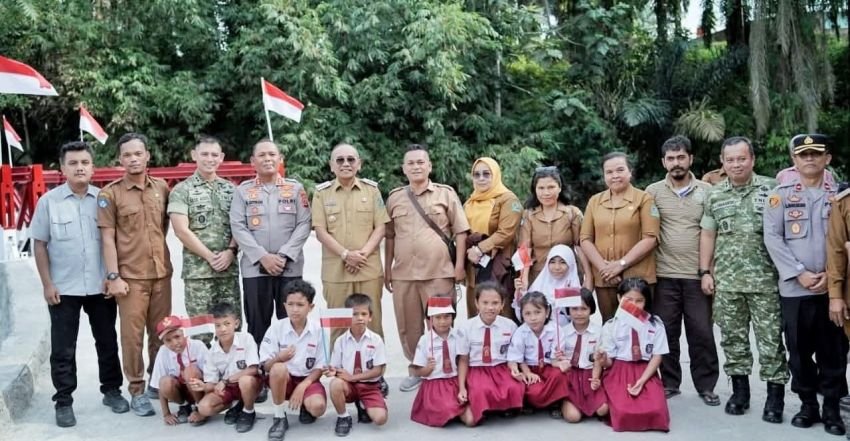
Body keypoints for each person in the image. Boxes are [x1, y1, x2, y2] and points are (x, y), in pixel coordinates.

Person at [31, 141, 129, 427]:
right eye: (73, 163)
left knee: (107, 341)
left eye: (85, 162)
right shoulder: (49, 202)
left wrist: (113, 276)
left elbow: (115, 243)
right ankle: (63, 401)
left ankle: (111, 390)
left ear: (93, 167)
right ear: (62, 168)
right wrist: (47, 284)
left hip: (101, 287)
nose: (79, 167)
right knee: (63, 348)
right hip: (64, 288)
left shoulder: (104, 199)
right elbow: (40, 245)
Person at [699, 136, 789, 422]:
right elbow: (708, 234)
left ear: (752, 159)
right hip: (727, 282)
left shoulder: (773, 189)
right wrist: (705, 271)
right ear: (722, 163)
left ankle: (775, 399)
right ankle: (740, 393)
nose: (736, 164)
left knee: (771, 342)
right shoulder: (714, 194)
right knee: (733, 340)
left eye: (741, 158)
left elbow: (786, 231)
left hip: (766, 282)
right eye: (730, 160)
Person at [764, 134, 847, 435]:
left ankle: (832, 409)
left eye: (816, 154)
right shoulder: (780, 195)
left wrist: (830, 274)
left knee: (833, 351)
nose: (809, 159)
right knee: (798, 351)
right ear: (795, 161)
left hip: (832, 288)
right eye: (803, 155)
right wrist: (798, 272)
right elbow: (773, 238)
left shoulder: (840, 194)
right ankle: (808, 404)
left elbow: (843, 241)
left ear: (828, 158)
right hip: (795, 289)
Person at [98, 133, 172, 416]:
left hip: (161, 273)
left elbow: (162, 227)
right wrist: (114, 276)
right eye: (127, 155)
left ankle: (156, 379)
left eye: (137, 154)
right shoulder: (110, 194)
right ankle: (137, 389)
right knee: (132, 337)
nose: (133, 159)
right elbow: (108, 239)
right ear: (120, 159)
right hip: (130, 277)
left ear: (147, 156)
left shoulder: (162, 188)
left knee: (160, 332)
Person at [385, 144, 469, 392]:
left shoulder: (446, 194)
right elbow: (389, 235)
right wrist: (387, 268)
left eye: (421, 162)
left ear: (429, 166)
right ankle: (417, 368)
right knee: (408, 326)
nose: (416, 166)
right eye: (410, 163)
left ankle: (447, 369)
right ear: (404, 168)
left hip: (439, 273)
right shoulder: (395, 197)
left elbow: (461, 232)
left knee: (441, 324)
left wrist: (460, 266)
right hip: (404, 275)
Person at [645, 136, 720, 405]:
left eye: (681, 157)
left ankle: (706, 385)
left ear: (691, 159)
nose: (676, 163)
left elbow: (713, 233)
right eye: (671, 158)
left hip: (697, 276)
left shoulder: (707, 192)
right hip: (664, 275)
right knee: (666, 331)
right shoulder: (652, 192)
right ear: (663, 161)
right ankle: (669, 382)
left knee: (701, 331)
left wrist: (708, 271)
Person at [230, 139, 311, 350]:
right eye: (262, 155)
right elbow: (237, 226)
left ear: (280, 159)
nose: (267, 159)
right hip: (255, 268)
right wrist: (262, 257)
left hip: (289, 267)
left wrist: (284, 255)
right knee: (258, 324)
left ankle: (293, 371)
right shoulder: (242, 191)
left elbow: (304, 223)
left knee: (292, 322)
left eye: (272, 155)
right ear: (252, 161)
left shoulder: (295, 189)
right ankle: (258, 373)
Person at [313, 143, 389, 341]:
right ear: (331, 165)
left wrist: (361, 255)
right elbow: (320, 231)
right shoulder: (322, 194)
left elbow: (380, 227)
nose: (345, 164)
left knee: (372, 323)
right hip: (336, 272)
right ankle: (338, 370)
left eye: (351, 159)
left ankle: (374, 371)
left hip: (368, 269)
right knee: (339, 325)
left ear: (359, 164)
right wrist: (346, 255)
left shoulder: (372, 191)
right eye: (340, 160)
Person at [168, 136, 240, 343]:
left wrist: (230, 251)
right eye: (205, 154)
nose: (210, 159)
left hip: (228, 271)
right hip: (198, 275)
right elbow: (181, 230)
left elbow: (239, 226)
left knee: (232, 328)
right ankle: (205, 375)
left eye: (214, 155)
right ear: (194, 156)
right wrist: (210, 257)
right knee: (202, 332)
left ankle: (233, 374)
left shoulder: (231, 190)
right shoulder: (182, 190)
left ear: (222, 158)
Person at [580, 152, 660, 321]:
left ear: (630, 172)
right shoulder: (595, 201)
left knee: (639, 327)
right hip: (605, 278)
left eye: (620, 170)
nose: (614, 176)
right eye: (609, 172)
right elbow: (585, 239)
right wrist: (605, 268)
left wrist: (621, 264)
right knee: (609, 325)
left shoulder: (644, 199)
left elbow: (650, 238)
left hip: (638, 279)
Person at [597, 278, 670, 432]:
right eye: (628, 300)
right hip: (619, 370)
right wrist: (603, 360)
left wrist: (642, 381)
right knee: (624, 413)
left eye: (639, 301)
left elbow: (657, 355)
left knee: (657, 411)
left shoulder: (655, 324)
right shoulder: (611, 325)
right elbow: (609, 362)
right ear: (619, 298)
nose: (634, 305)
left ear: (646, 301)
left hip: (645, 370)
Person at [259, 280, 327, 441]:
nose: (294, 309)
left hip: (308, 380)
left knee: (317, 408)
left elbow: (320, 367)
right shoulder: (276, 328)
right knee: (278, 368)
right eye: (290, 304)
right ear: (284, 305)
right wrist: (279, 357)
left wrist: (303, 386)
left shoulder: (319, 330)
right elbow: (266, 366)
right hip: (283, 380)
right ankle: (279, 417)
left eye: (300, 304)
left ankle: (305, 405)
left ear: (311, 307)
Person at [456, 281, 525, 426]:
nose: (490, 307)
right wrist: (461, 386)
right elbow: (463, 360)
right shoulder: (466, 328)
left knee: (513, 387)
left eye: (495, 303)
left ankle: (504, 408)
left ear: (502, 304)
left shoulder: (510, 325)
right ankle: (485, 410)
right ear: (476, 303)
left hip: (501, 367)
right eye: (485, 302)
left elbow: (514, 354)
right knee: (481, 389)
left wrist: (515, 370)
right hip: (477, 369)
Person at [463, 157, 522, 318]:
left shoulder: (508, 200)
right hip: (474, 268)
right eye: (477, 175)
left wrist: (480, 248)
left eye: (486, 174)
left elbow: (506, 233)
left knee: (501, 319)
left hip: (499, 269)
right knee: (476, 319)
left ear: (495, 175)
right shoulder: (470, 202)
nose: (481, 178)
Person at [191, 302, 261, 433]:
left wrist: (225, 381)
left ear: (236, 324)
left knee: (246, 380)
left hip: (249, 383)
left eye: (227, 324)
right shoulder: (212, 352)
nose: (222, 329)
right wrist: (204, 386)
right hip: (228, 389)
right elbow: (212, 383)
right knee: (204, 408)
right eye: (218, 325)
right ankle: (235, 405)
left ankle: (248, 411)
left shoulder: (246, 339)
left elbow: (253, 369)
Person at [518, 166, 592, 290]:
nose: (546, 193)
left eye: (551, 187)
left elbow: (580, 246)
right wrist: (523, 278)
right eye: (541, 188)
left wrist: (588, 277)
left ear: (560, 188)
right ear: (535, 190)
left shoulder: (572, 213)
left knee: (566, 309)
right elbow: (525, 249)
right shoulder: (528, 215)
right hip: (538, 276)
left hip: (567, 278)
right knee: (539, 308)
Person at [326, 294, 389, 437]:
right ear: (347, 317)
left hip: (369, 386)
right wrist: (332, 371)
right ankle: (343, 417)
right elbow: (335, 368)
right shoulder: (340, 341)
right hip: (349, 386)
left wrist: (353, 377)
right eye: (355, 314)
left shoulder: (376, 340)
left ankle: (363, 404)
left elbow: (378, 371)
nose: (360, 318)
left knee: (380, 419)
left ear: (370, 317)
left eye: (364, 314)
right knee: (335, 384)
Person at [410, 296, 473, 427]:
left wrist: (462, 388)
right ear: (430, 319)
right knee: (446, 409)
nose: (443, 321)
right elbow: (416, 370)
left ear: (453, 317)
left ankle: (458, 411)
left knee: (471, 420)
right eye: (437, 317)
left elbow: (463, 360)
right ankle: (452, 411)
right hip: (435, 385)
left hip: (455, 381)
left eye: (447, 317)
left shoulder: (458, 335)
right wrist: (427, 369)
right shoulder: (425, 340)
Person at [507, 292, 569, 418]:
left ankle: (554, 403)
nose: (533, 318)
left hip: (548, 367)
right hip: (530, 367)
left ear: (546, 312)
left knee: (560, 375)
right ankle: (535, 401)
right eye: (527, 314)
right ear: (522, 315)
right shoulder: (520, 332)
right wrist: (527, 372)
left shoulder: (555, 330)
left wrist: (562, 362)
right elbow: (518, 358)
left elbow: (553, 360)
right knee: (533, 391)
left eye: (537, 312)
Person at [557, 289, 607, 423]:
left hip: (590, 376)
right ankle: (563, 403)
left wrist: (596, 378)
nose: (579, 313)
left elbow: (598, 360)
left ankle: (590, 404)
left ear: (591, 309)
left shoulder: (598, 332)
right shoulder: (562, 332)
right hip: (571, 376)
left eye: (583, 309)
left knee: (603, 410)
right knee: (573, 417)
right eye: (574, 309)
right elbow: (556, 359)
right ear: (568, 310)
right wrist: (559, 360)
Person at [150, 315, 208, 426]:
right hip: (181, 392)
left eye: (177, 337)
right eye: (168, 340)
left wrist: (207, 404)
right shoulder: (163, 352)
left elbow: (211, 377)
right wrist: (166, 414)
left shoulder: (198, 346)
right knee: (165, 381)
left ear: (184, 334)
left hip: (200, 390)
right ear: (164, 342)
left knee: (190, 371)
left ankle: (199, 408)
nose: (175, 343)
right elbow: (159, 385)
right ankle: (185, 406)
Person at [513, 245, 581, 326]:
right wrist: (521, 292)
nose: (557, 267)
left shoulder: (574, 287)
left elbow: (578, 319)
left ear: (570, 264)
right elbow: (522, 316)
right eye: (552, 262)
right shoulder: (539, 286)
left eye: (563, 262)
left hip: (564, 334)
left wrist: (566, 298)